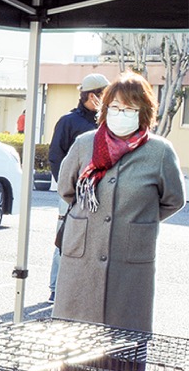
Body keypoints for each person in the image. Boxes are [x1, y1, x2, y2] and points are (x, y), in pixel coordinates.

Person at [53, 70, 184, 341]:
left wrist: (138, 219)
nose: (120, 113)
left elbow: (174, 200)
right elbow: (67, 189)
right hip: (83, 254)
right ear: (105, 109)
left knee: (122, 342)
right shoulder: (84, 143)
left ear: (143, 112)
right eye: (114, 107)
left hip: (130, 259)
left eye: (129, 108)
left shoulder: (159, 151)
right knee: (75, 339)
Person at [46, 72, 108, 301]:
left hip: (99, 193)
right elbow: (55, 157)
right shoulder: (68, 121)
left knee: (93, 241)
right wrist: (67, 190)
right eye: (105, 94)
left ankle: (82, 289)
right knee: (65, 239)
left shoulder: (105, 122)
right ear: (92, 96)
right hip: (71, 194)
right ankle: (56, 288)